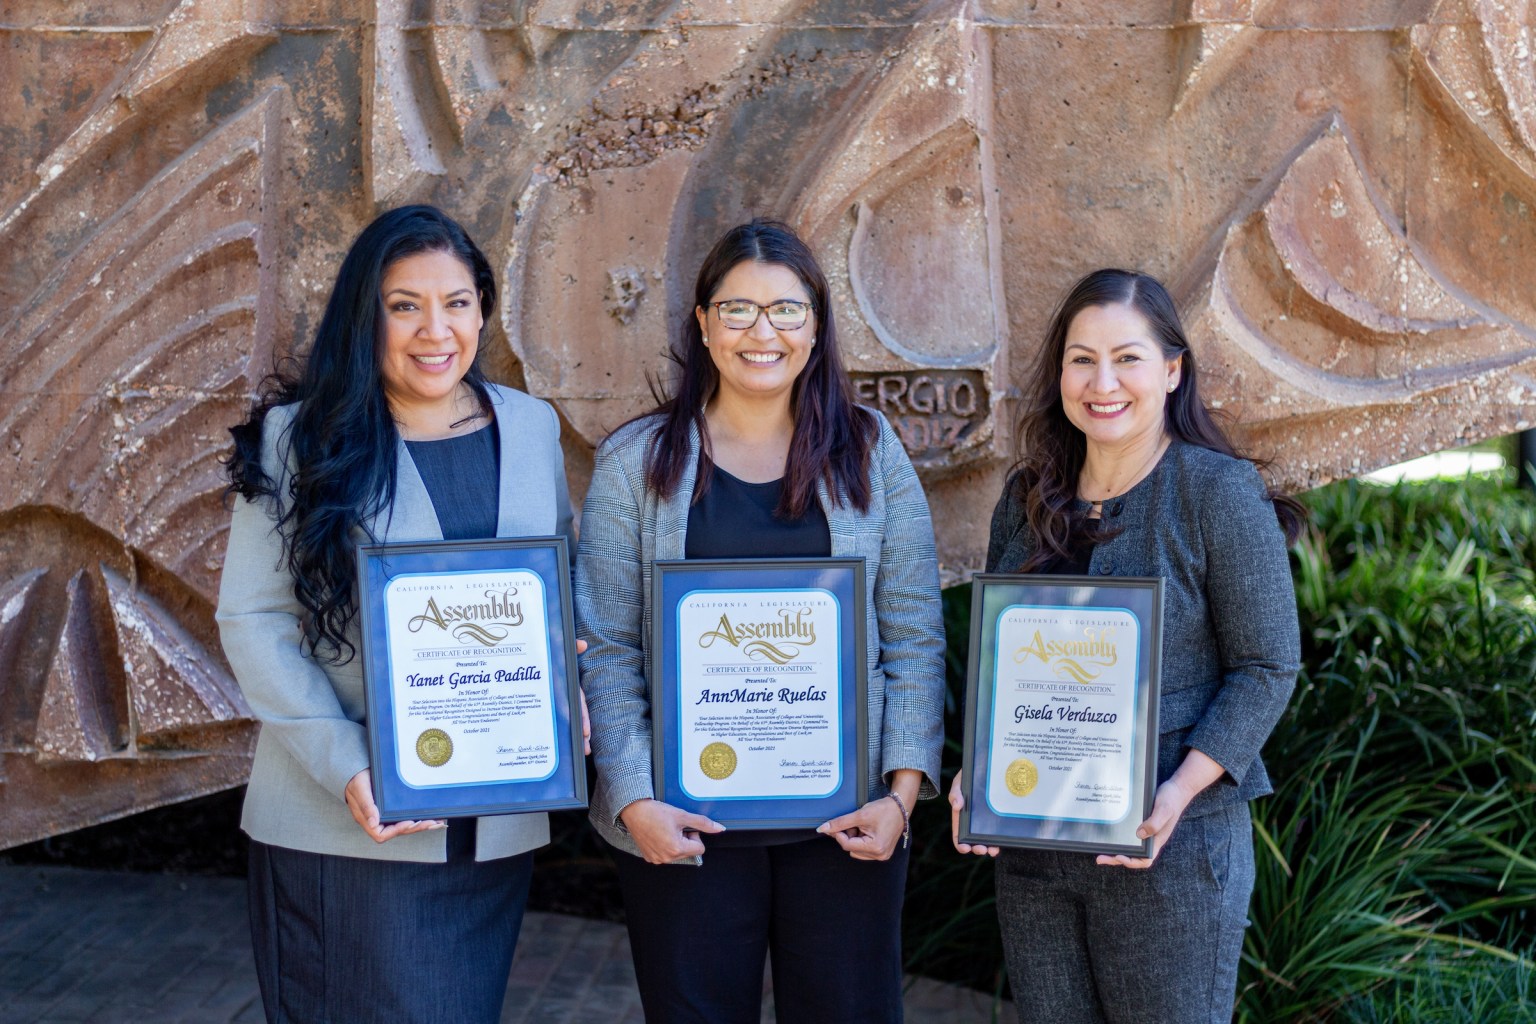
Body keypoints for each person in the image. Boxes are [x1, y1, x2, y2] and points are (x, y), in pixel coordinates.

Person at [575, 219, 946, 1023]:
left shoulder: (870, 453)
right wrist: (635, 797)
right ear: (703, 325)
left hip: (847, 826)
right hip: (683, 831)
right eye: (737, 310)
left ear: (816, 326)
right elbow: (607, 646)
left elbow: (914, 633)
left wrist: (903, 794)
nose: (762, 332)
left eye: (786, 310)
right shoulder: (634, 464)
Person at [218, 205, 580, 1024]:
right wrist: (348, 764)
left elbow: (553, 589)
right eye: (403, 304)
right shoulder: (298, 440)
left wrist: (569, 684)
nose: (434, 329)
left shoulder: (531, 429)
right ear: (365, 314)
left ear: (483, 310)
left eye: (456, 302)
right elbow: (253, 621)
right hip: (346, 825)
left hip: (492, 829)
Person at [949, 269, 1305, 1024]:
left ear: (1172, 370)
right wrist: (971, 774)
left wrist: (1177, 793)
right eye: (1082, 359)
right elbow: (1002, 665)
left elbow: (1267, 665)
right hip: (1033, 853)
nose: (1102, 381)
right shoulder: (1027, 497)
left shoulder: (1214, 491)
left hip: (1169, 847)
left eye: (1128, 358)